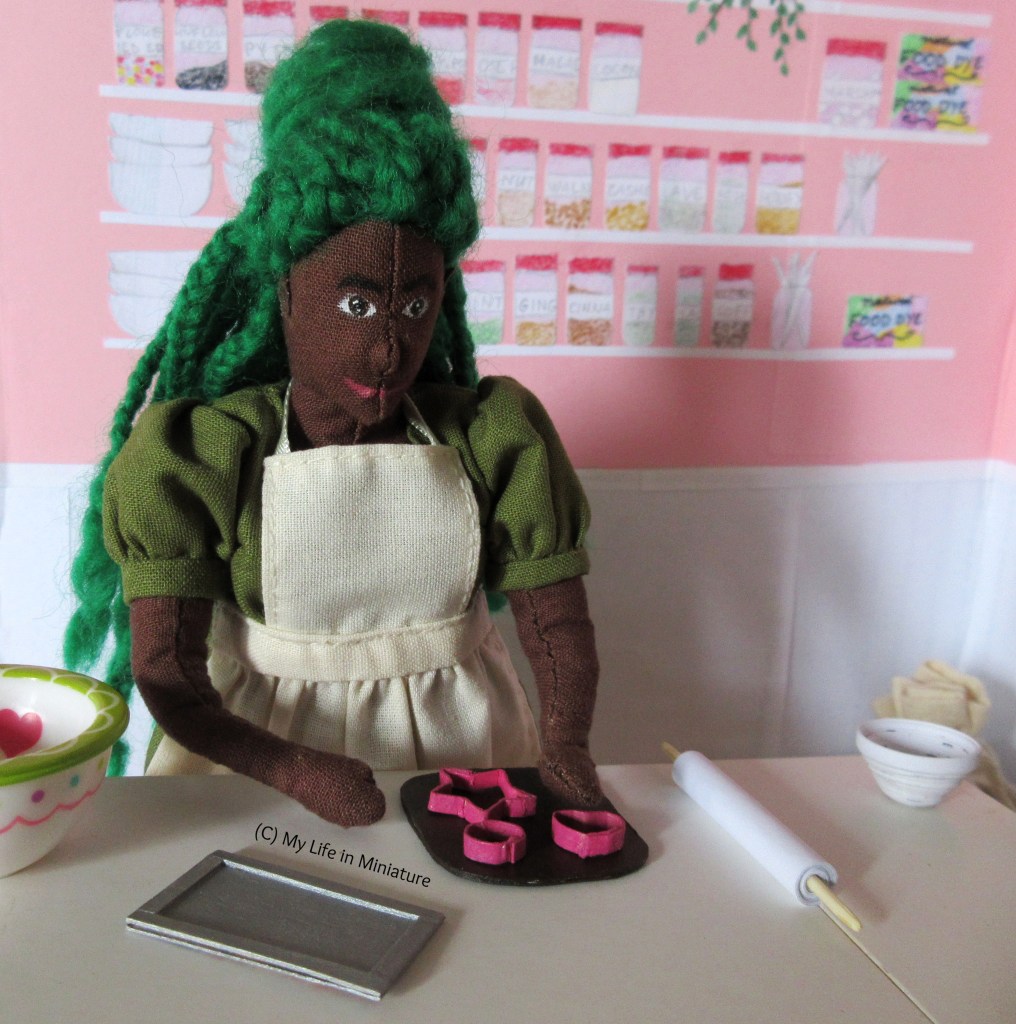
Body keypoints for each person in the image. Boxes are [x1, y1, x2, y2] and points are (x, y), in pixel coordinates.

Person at [66, 18, 601, 827]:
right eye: (355, 304)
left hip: (470, 771)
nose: (389, 346)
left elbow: (556, 625)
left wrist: (565, 748)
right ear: (286, 289)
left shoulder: (495, 438)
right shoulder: (207, 454)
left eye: (414, 303)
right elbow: (170, 676)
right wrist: (295, 769)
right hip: (253, 777)